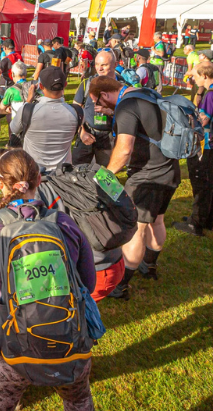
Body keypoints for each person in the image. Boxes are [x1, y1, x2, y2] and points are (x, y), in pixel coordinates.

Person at [0, 148, 96, 411]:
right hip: (70, 342)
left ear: (0, 184)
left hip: (10, 348)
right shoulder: (65, 223)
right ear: (39, 181)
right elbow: (88, 284)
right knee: (78, 400)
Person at [88, 76, 181, 300]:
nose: (100, 108)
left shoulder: (126, 107)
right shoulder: (146, 93)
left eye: (99, 103)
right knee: (157, 220)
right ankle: (149, 266)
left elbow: (123, 151)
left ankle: (121, 285)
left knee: (136, 229)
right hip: (170, 168)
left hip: (147, 177)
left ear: (105, 94)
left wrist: (103, 176)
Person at [173, 64, 213, 236]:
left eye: (195, 75)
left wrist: (188, 118)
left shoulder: (211, 95)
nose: (193, 79)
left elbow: (203, 120)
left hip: (207, 144)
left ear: (204, 75)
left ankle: (196, 222)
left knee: (202, 182)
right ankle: (208, 218)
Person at [9, 67, 79, 170]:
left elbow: (14, 129)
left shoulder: (28, 110)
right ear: (65, 85)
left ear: (40, 86)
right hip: (63, 175)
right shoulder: (76, 112)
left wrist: (28, 100)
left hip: (34, 173)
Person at [72, 50, 116, 166]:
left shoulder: (122, 87)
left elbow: (129, 115)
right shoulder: (87, 83)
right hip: (86, 135)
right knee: (77, 173)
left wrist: (111, 112)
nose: (99, 68)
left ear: (114, 65)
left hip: (108, 139)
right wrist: (81, 132)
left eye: (104, 65)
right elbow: (75, 110)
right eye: (97, 64)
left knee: (105, 176)